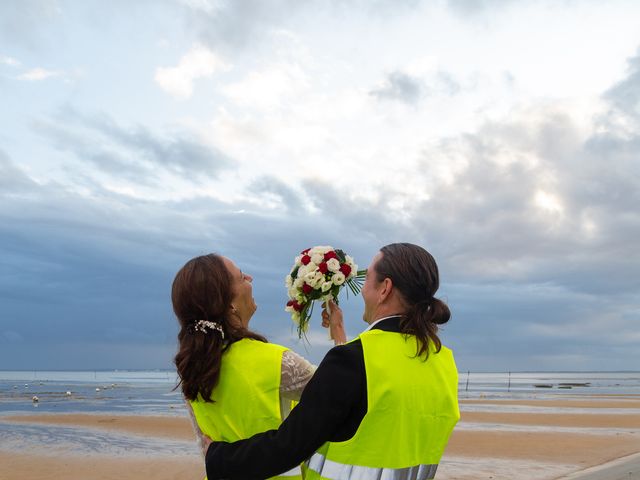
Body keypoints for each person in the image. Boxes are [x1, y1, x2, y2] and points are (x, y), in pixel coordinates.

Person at [204, 242, 460, 480]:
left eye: (367, 278)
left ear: (385, 288)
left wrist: (217, 457)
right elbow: (376, 417)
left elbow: (289, 445)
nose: (362, 289)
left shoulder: (352, 360)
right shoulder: (444, 363)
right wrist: (340, 337)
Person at [171, 253, 347, 480]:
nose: (250, 279)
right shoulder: (275, 361)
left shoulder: (191, 368)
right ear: (230, 303)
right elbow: (339, 393)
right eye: (242, 277)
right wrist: (338, 330)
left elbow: (204, 447)